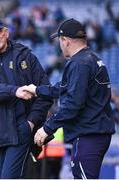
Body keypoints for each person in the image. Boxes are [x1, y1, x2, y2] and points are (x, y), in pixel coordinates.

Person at [24, 18, 115, 179]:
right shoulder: (90, 58)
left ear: (65, 41)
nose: (59, 45)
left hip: (88, 135)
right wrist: (37, 90)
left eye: (59, 41)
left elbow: (73, 103)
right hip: (96, 133)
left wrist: (47, 128)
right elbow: (64, 87)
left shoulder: (79, 63)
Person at [0, 17, 52, 178]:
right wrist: (14, 91)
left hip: (20, 131)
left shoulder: (25, 55)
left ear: (6, 32)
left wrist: (30, 123)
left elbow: (46, 92)